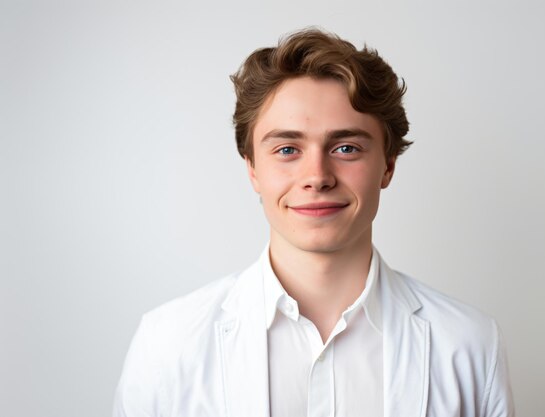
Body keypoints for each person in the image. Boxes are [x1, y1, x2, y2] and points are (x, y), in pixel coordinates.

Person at [112, 28, 515, 417]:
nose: (317, 175)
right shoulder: (166, 344)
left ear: (388, 165)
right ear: (252, 168)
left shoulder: (469, 344)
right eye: (287, 149)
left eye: (346, 147)